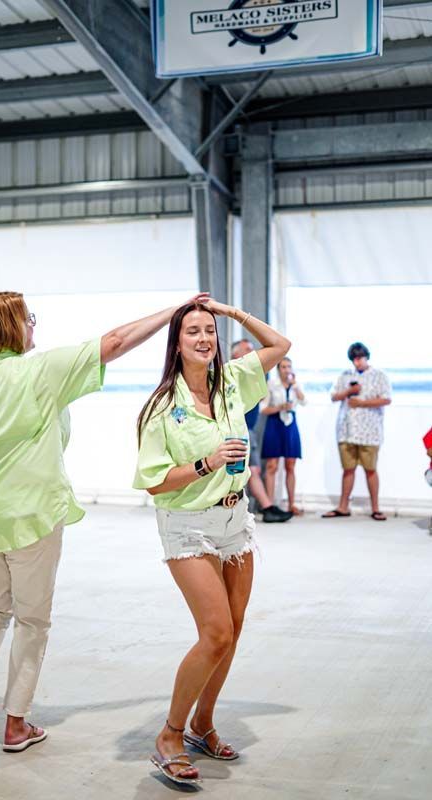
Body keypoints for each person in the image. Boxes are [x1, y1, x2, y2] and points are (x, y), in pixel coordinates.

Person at [0, 289, 208, 752]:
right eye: (29, 319)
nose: (34, 326)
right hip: (28, 513)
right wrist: (174, 312)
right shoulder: (39, 370)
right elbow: (117, 340)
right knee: (32, 620)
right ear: (12, 328)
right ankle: (15, 724)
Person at [133, 300, 290, 785]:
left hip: (234, 519)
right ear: (176, 344)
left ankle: (203, 724)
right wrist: (208, 463)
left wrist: (231, 311)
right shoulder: (161, 407)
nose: (203, 338)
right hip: (187, 524)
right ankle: (170, 735)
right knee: (216, 632)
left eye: (209, 330)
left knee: (234, 629)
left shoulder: (232, 382)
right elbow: (155, 481)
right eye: (192, 332)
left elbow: (281, 346)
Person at [322, 342, 391, 521]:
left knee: (370, 469)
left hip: (370, 430)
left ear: (366, 356)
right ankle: (343, 507)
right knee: (348, 469)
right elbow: (333, 396)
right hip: (346, 430)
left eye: (359, 358)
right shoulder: (345, 375)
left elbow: (386, 399)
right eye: (354, 359)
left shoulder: (379, 375)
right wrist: (349, 391)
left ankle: (376, 508)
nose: (357, 362)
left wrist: (362, 402)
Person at [231, 339, 292, 523]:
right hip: (236, 430)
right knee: (247, 470)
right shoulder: (231, 374)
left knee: (253, 469)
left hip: (249, 430)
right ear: (236, 354)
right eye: (247, 349)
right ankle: (266, 507)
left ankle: (266, 507)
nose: (252, 352)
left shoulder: (252, 374)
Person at [260, 357, 306, 515]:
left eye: (289, 367)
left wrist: (295, 386)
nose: (287, 370)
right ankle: (270, 505)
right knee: (272, 465)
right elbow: (263, 409)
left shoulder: (295, 385)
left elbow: (304, 401)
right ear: (278, 369)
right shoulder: (271, 384)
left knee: (290, 465)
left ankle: (292, 504)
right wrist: (279, 407)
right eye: (284, 367)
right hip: (274, 422)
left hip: (290, 424)